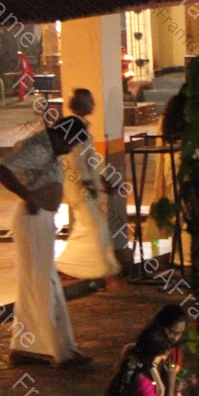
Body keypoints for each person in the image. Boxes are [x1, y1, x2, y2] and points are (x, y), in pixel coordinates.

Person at [0, 116, 93, 368]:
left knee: (36, 283)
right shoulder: (39, 147)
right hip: (33, 219)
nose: (70, 149)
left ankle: (27, 348)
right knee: (43, 283)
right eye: (71, 143)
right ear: (63, 135)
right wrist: (28, 196)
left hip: (42, 219)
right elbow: (2, 169)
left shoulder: (50, 149)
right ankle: (58, 351)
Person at [56, 89, 123, 284]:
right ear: (84, 104)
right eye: (90, 101)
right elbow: (77, 161)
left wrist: (101, 181)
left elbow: (87, 162)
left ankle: (68, 267)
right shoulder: (75, 127)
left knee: (88, 229)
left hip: (84, 186)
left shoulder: (80, 126)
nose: (93, 104)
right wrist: (90, 183)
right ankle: (99, 271)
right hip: (81, 188)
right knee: (95, 229)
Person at [143, 84, 190, 266]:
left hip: (171, 164)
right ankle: (186, 257)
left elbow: (160, 143)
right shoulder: (192, 114)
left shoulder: (168, 114)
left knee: (181, 210)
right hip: (186, 163)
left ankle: (179, 255)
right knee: (189, 212)